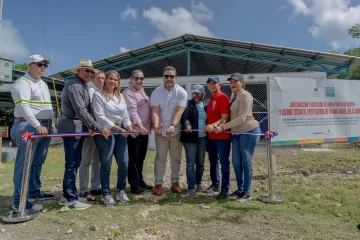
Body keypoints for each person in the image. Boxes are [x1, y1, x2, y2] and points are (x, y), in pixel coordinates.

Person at [57, 59, 111, 210]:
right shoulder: (75, 86)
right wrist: (98, 127)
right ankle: (71, 199)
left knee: (73, 163)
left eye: (91, 71)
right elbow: (81, 111)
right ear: (78, 71)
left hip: (77, 128)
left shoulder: (82, 86)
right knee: (72, 163)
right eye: (86, 70)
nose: (90, 73)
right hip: (71, 128)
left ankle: (66, 195)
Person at [10, 54, 55, 212]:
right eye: (39, 64)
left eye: (45, 65)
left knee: (38, 161)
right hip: (27, 126)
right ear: (29, 66)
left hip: (44, 127)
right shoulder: (22, 83)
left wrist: (51, 123)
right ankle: (18, 200)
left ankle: (34, 191)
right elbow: (24, 107)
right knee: (24, 164)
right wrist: (37, 125)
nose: (43, 67)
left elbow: (46, 106)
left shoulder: (42, 83)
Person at [92, 70, 138, 206]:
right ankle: (106, 193)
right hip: (106, 131)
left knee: (124, 163)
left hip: (121, 131)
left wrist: (129, 129)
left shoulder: (120, 96)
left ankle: (120, 191)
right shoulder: (98, 95)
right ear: (105, 80)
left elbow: (125, 115)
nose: (113, 81)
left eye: (116, 80)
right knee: (106, 163)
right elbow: (100, 117)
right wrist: (119, 129)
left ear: (118, 83)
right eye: (110, 79)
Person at [214, 73, 261, 201]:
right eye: (231, 82)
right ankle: (240, 189)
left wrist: (222, 127)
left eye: (236, 81)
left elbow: (242, 118)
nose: (233, 84)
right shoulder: (233, 96)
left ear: (242, 83)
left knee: (246, 160)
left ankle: (247, 191)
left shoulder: (245, 95)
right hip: (236, 133)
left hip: (248, 131)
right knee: (236, 161)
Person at [150, 66, 188, 196]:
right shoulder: (156, 92)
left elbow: (179, 110)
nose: (169, 79)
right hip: (160, 133)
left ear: (175, 78)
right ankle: (158, 183)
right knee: (160, 158)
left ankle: (175, 182)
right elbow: (155, 110)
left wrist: (173, 125)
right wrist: (156, 126)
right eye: (166, 76)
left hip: (175, 133)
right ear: (163, 77)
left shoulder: (181, 92)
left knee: (176, 158)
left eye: (172, 76)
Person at [123, 70, 153, 194]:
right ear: (131, 79)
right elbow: (132, 111)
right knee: (133, 159)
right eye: (136, 78)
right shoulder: (128, 93)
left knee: (141, 159)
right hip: (134, 132)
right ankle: (134, 185)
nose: (139, 81)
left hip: (144, 132)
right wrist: (140, 126)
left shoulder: (142, 92)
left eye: (141, 78)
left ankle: (140, 180)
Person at [78, 71, 105, 201]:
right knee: (86, 160)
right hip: (91, 129)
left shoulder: (103, 92)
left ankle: (95, 185)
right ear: (93, 79)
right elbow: (88, 110)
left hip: (101, 130)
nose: (101, 80)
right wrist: (90, 126)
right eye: (99, 78)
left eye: (103, 78)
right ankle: (83, 189)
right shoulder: (89, 90)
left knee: (97, 159)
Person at [204, 76, 231, 200]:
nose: (212, 85)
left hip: (222, 136)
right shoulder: (211, 99)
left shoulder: (223, 98)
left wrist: (213, 125)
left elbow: (224, 117)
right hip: (211, 136)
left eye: (214, 83)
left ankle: (225, 189)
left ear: (220, 85)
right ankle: (215, 185)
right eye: (209, 83)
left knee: (224, 162)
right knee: (213, 161)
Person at [180, 85, 207, 198]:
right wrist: (187, 124)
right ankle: (191, 187)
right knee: (191, 163)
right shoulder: (188, 104)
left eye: (198, 93)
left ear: (202, 94)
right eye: (194, 93)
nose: (195, 96)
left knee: (200, 162)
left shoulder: (205, 105)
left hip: (203, 137)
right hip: (190, 138)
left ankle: (198, 183)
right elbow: (184, 117)